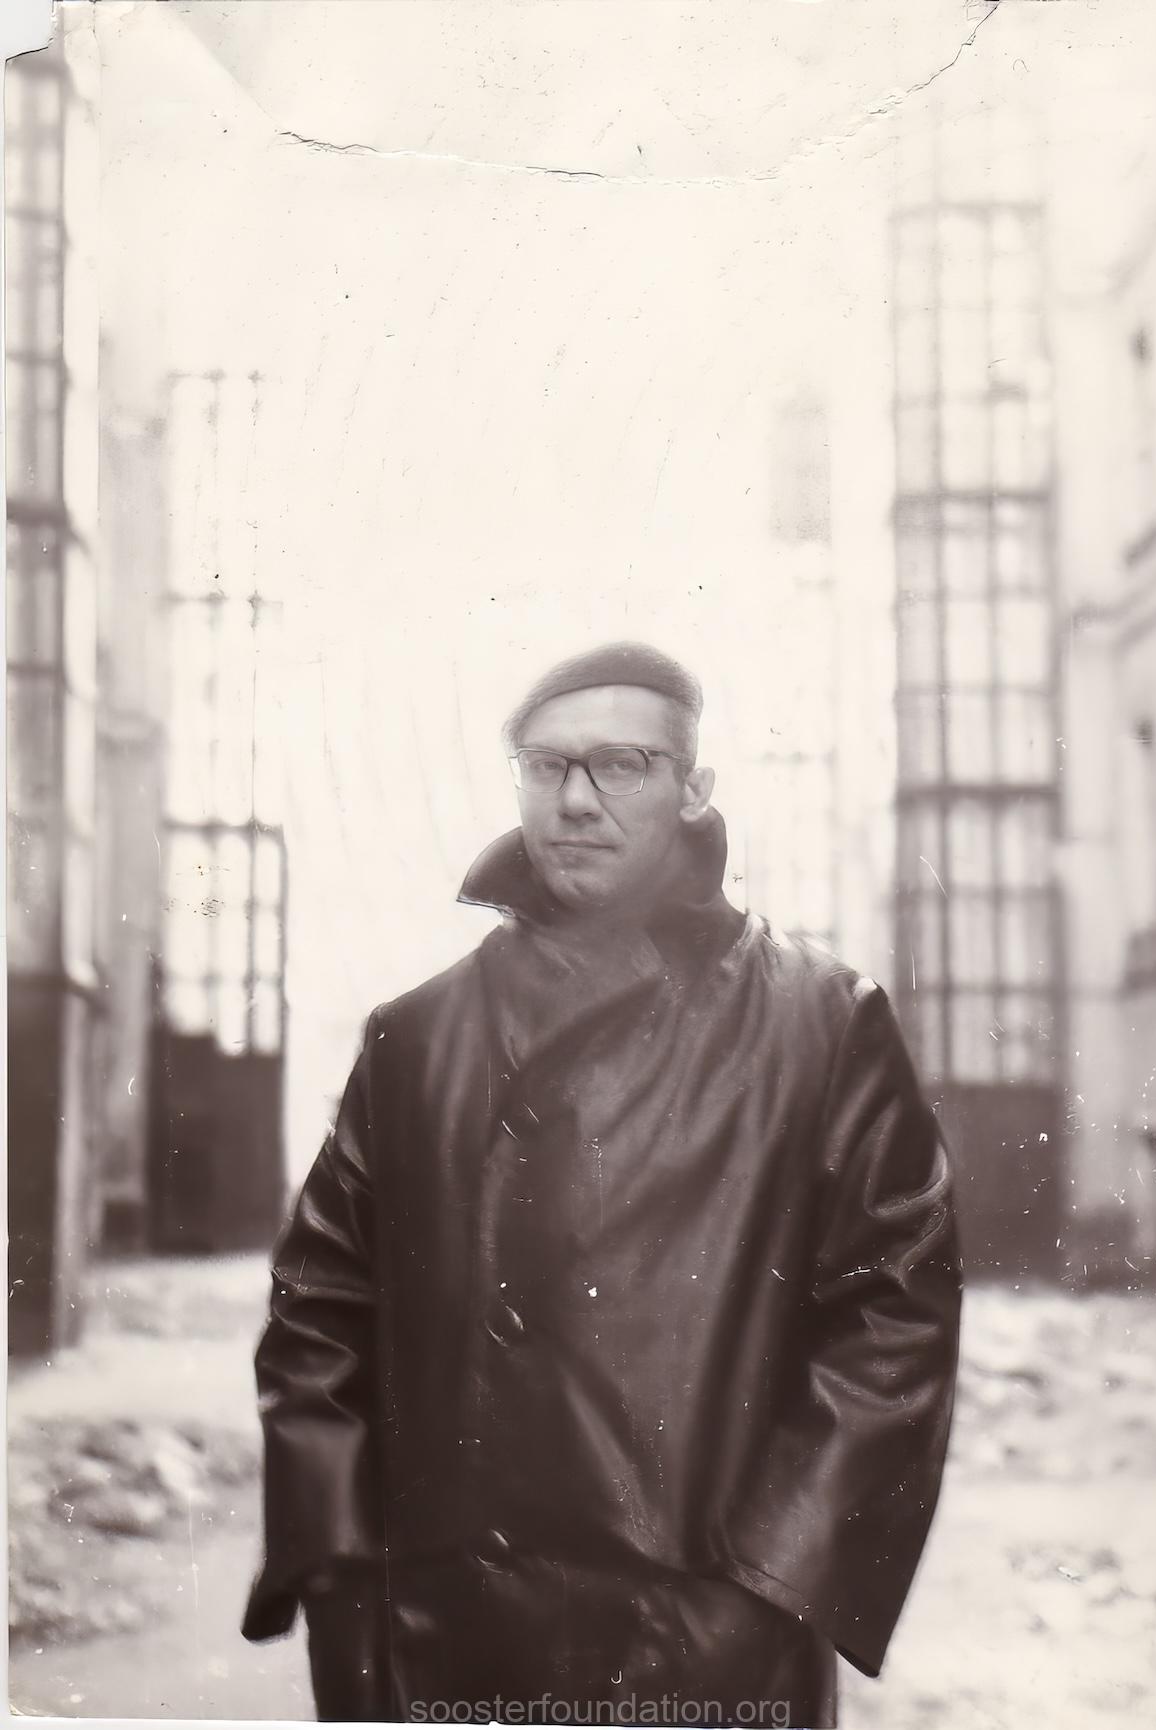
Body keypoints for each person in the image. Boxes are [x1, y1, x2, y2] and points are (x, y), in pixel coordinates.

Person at [242, 641, 962, 1728]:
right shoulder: (415, 1037)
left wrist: (770, 1588)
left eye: (621, 765)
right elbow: (317, 1314)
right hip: (440, 1640)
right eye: (546, 766)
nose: (575, 800)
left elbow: (896, 1316)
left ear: (693, 789)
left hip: (698, 1653)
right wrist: (341, 1573)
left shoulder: (818, 1021)